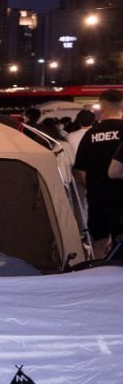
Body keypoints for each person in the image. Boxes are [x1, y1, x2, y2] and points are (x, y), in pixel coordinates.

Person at [75, 89, 123, 258]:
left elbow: (80, 171)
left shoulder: (90, 134)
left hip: (98, 197)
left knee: (99, 242)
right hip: (121, 197)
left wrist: (93, 186)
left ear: (102, 107)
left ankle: (99, 274)